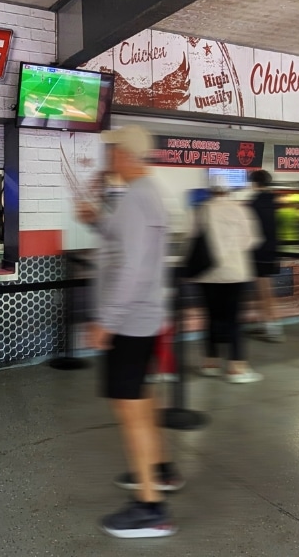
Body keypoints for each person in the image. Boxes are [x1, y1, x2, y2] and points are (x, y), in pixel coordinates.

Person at [76, 125, 179, 539]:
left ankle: (151, 507)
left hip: (130, 321)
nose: (108, 158)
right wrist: (98, 220)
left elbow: (133, 268)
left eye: (113, 151)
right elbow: (125, 245)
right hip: (143, 318)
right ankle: (159, 470)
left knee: (129, 407)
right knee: (142, 399)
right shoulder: (141, 194)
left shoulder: (137, 198)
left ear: (127, 155)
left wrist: (108, 320)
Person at [194, 185, 264, 383]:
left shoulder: (201, 209)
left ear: (210, 191)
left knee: (211, 316)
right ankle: (236, 367)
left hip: (207, 273)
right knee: (233, 318)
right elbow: (252, 240)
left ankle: (210, 362)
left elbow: (190, 239)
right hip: (234, 272)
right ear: (228, 192)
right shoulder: (240, 209)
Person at [248, 170, 284, 343]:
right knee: (265, 290)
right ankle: (266, 324)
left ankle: (272, 328)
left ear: (254, 183)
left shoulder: (255, 203)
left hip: (258, 252)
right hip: (271, 250)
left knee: (264, 290)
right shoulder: (273, 201)